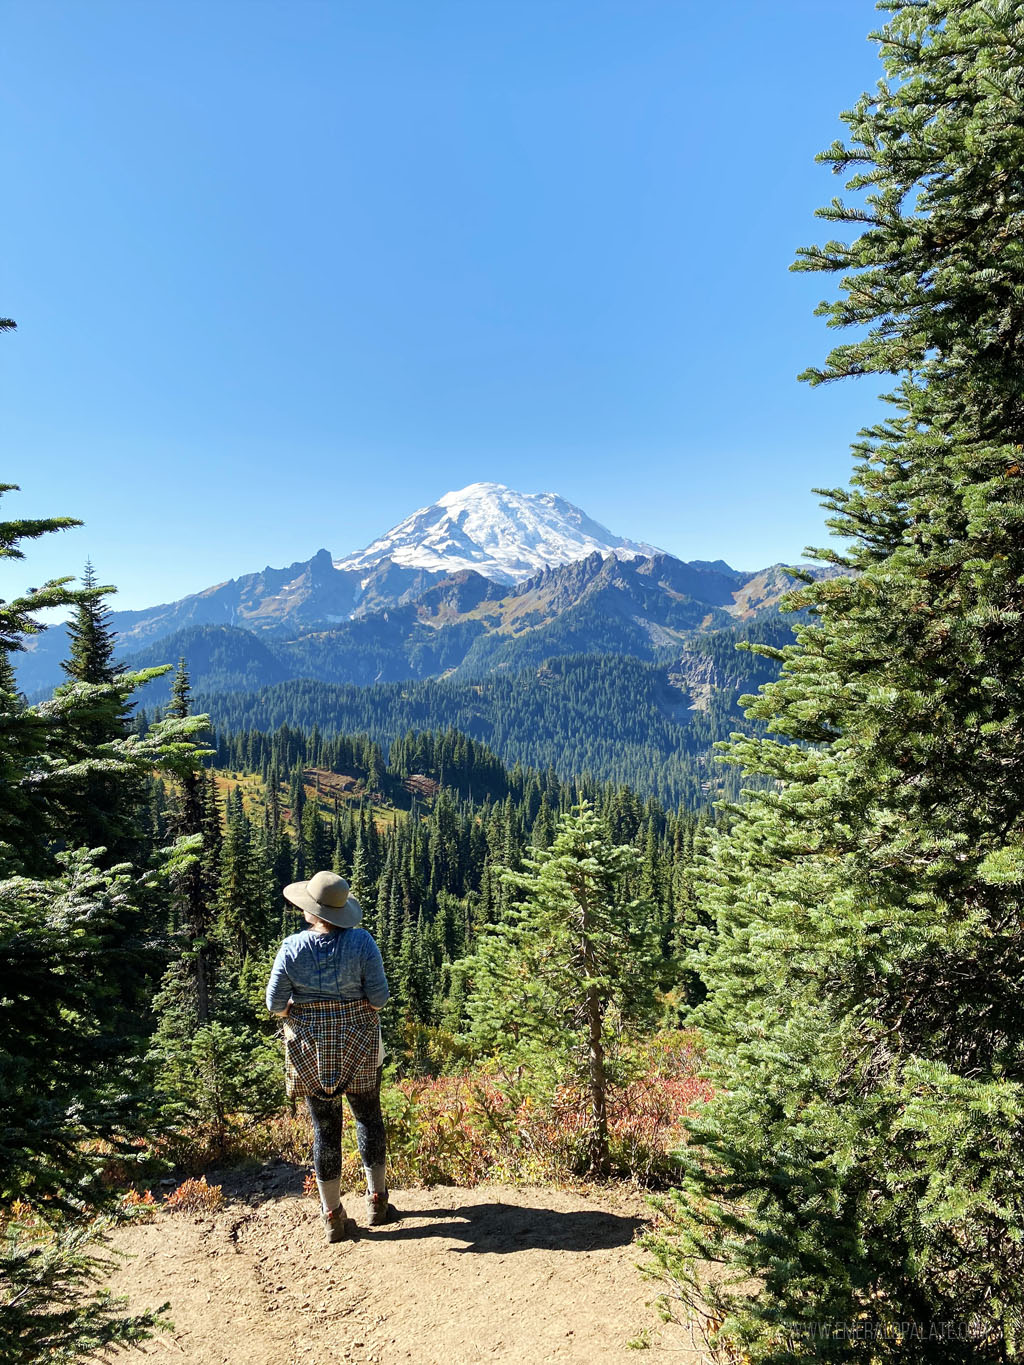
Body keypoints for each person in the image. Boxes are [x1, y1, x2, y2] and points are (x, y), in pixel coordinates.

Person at [265, 869, 393, 1243]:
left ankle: (332, 1216)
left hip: (310, 1050)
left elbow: (274, 1004)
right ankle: (378, 1201)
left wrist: (296, 1009)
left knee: (325, 1129)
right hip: (360, 1043)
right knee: (368, 1117)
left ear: (312, 911)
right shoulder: (362, 943)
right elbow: (380, 998)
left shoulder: (291, 948)